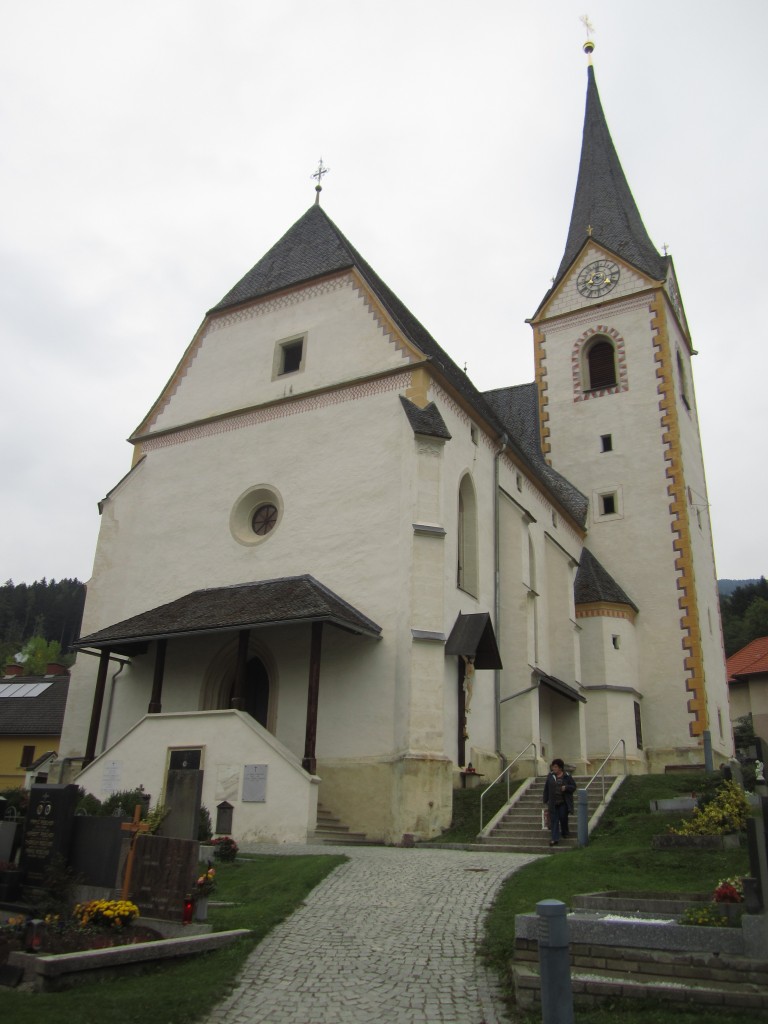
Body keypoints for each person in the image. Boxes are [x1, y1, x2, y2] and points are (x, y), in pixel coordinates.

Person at [542, 758, 576, 847]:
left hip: (563, 802)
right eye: (553, 767)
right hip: (553, 802)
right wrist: (545, 799)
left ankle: (565, 832)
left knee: (563, 817)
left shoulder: (567, 776)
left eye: (556, 767)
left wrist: (566, 787)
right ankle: (554, 839)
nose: (554, 768)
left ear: (560, 768)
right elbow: (546, 788)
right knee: (554, 820)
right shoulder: (550, 776)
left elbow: (573, 786)